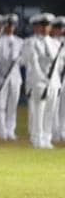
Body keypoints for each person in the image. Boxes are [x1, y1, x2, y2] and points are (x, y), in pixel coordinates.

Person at [21, 13, 60, 149]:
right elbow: (26, 62)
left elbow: (59, 65)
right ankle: (37, 138)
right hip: (37, 82)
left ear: (50, 27)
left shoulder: (56, 43)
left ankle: (47, 138)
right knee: (38, 111)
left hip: (53, 82)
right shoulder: (30, 42)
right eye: (41, 25)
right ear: (36, 27)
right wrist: (41, 78)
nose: (44, 28)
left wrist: (53, 81)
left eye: (47, 25)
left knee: (50, 111)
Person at [0, 14, 22, 141]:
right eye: (8, 25)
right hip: (1, 77)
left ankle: (10, 130)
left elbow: (22, 61)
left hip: (15, 77)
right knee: (0, 105)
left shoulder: (20, 42)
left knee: (12, 105)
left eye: (13, 25)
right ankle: (2, 131)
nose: (10, 27)